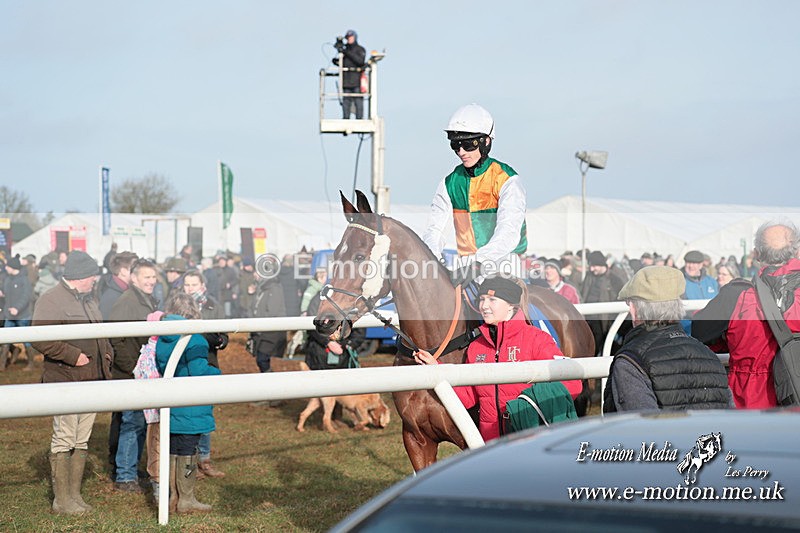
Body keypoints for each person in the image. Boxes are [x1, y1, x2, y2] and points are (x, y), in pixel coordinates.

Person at [414, 276, 582, 442]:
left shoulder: (537, 339)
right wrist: (436, 367)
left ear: (511, 306)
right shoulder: (476, 347)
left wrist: (528, 405)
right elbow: (467, 397)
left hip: (530, 441)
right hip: (492, 446)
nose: (484, 306)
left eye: (492, 300)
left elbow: (573, 384)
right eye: (482, 299)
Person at [31, 250, 113, 514]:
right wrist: (72, 355)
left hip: (90, 380)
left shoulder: (89, 300)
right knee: (64, 438)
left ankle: (74, 496)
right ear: (80, 277)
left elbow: (99, 332)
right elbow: (39, 337)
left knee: (82, 439)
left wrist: (107, 353)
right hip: (65, 379)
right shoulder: (51, 299)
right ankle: (61, 500)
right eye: (92, 276)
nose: (95, 281)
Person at [692, 221, 800, 408]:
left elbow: (699, 332)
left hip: (750, 399)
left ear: (757, 254)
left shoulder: (737, 295)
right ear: (797, 252)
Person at [423, 104, 527, 285]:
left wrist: (479, 263)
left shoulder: (508, 180)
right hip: (464, 267)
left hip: (504, 265)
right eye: (456, 145)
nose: (461, 152)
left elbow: (508, 231)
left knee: (493, 306)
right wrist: (432, 258)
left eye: (468, 144)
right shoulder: (449, 183)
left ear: (486, 142)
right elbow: (435, 230)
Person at [603, 266, 732, 413]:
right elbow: (728, 417)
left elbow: (641, 429)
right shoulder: (708, 355)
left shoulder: (631, 362)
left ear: (634, 309)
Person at [155, 292, 219, 514]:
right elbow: (199, 372)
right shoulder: (195, 337)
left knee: (172, 448)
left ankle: (172, 497)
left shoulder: (163, 335)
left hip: (172, 402)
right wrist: (217, 373)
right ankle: (187, 499)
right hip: (192, 405)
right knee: (189, 451)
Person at [108, 258, 158, 492]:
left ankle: (131, 468)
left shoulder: (145, 300)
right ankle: (125, 476)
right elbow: (116, 338)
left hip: (141, 372)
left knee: (139, 421)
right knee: (132, 422)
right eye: (146, 277)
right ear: (134, 278)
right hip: (131, 374)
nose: (151, 281)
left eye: (153, 277)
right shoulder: (127, 302)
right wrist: (133, 367)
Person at [182, 269, 227, 479]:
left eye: (193, 285)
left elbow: (222, 333)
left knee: (205, 412)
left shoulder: (213, 305)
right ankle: (189, 461)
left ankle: (205, 460)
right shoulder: (178, 306)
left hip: (207, 361)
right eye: (187, 285)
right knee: (187, 413)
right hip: (185, 365)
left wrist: (221, 340)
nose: (190, 289)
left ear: (203, 286)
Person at [580, 251, 626, 355]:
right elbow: (583, 293)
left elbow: (622, 296)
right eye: (590, 266)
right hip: (588, 318)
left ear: (601, 265)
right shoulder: (589, 276)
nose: (592, 269)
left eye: (594, 266)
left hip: (604, 320)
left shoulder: (614, 278)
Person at [0, 254, 33, 371]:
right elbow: (5, 292)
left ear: (13, 267)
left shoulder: (24, 280)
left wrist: (17, 308)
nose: (6, 268)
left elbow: (26, 297)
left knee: (26, 341)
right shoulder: (8, 279)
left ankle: (31, 364)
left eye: (7, 266)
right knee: (5, 339)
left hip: (22, 315)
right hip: (9, 315)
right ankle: (2, 365)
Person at [680, 250, 719, 335]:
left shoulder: (711, 282)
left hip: (711, 326)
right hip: (689, 328)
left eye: (695, 263)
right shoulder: (679, 282)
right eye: (688, 263)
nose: (691, 266)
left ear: (701, 265)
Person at [333, 29, 366, 119]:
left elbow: (360, 61)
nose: (349, 39)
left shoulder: (360, 49)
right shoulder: (345, 51)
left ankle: (359, 119)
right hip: (346, 81)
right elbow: (343, 63)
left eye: (351, 37)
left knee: (358, 100)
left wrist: (346, 52)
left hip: (356, 81)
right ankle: (346, 118)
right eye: (347, 38)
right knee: (346, 101)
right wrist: (336, 60)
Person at [98, 251, 138, 319]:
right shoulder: (110, 297)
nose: (138, 272)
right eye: (135, 268)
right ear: (123, 271)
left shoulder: (129, 290)